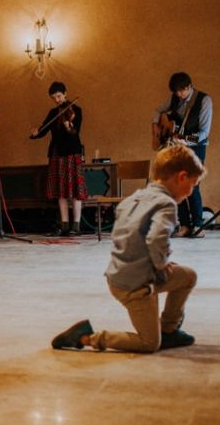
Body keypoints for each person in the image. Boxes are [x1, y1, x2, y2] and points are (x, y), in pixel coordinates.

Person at [51, 145, 203, 353]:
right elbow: (157, 237)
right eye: (193, 184)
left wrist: (156, 264)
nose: (191, 192)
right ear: (182, 177)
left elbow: (124, 237)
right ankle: (88, 337)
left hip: (120, 275)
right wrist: (161, 263)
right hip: (135, 286)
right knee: (149, 343)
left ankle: (169, 330)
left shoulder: (133, 199)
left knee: (188, 276)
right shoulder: (166, 204)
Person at [152, 72, 212, 237]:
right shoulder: (174, 98)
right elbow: (158, 110)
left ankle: (198, 226)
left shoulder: (204, 101)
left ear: (189, 87)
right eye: (176, 92)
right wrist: (155, 125)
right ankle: (184, 225)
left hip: (196, 146)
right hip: (177, 146)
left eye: (181, 91)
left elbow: (204, 133)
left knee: (193, 184)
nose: (178, 95)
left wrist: (186, 140)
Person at [29, 81, 85, 236]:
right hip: (57, 152)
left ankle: (76, 225)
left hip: (72, 152)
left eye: (59, 96)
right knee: (60, 191)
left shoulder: (76, 110)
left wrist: (68, 126)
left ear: (65, 93)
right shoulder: (53, 113)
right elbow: (44, 128)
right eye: (54, 98)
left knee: (75, 190)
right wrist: (36, 133)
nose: (57, 100)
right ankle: (65, 224)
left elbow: (75, 132)